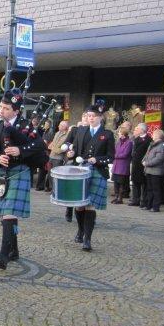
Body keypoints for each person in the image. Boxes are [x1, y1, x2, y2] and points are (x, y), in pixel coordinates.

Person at [0, 89, 46, 269]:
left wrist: (21, 150)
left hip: (19, 172)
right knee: (7, 214)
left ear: (16, 111)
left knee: (9, 211)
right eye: (1, 107)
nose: (1, 111)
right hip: (2, 172)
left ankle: (3, 254)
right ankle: (14, 249)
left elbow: (40, 145)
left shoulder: (26, 126)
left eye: (6, 108)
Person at [64, 104, 115, 251]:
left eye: (93, 116)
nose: (90, 118)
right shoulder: (80, 131)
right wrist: (70, 154)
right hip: (79, 170)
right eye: (89, 116)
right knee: (80, 204)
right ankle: (80, 230)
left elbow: (111, 157)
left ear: (100, 118)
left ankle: (87, 238)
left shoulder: (107, 134)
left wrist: (97, 160)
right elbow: (73, 149)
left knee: (90, 205)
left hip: (97, 171)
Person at [142, 129, 164, 212]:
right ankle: (148, 205)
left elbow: (159, 159)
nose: (152, 136)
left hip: (156, 171)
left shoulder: (162, 146)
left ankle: (155, 206)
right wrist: (143, 160)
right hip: (149, 170)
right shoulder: (152, 144)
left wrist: (147, 163)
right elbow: (147, 154)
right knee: (149, 189)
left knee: (156, 189)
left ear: (158, 136)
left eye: (153, 134)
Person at [129, 124, 151, 208]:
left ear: (142, 130)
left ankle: (144, 201)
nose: (135, 130)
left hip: (143, 164)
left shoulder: (148, 139)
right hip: (135, 164)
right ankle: (135, 200)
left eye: (137, 129)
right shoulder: (136, 139)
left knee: (144, 183)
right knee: (135, 182)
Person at [45, 120, 69, 195]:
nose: (59, 126)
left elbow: (62, 149)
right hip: (51, 156)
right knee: (50, 174)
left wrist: (52, 148)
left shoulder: (67, 135)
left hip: (58, 158)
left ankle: (57, 191)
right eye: (59, 125)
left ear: (65, 127)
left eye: (61, 125)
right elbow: (53, 143)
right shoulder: (57, 133)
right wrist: (50, 145)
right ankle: (53, 190)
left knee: (56, 175)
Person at [111, 124, 132, 204]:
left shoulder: (129, 142)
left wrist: (115, 155)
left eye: (119, 132)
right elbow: (115, 150)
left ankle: (120, 198)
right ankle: (116, 197)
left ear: (123, 134)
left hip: (123, 166)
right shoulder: (119, 141)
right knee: (115, 182)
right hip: (116, 165)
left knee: (121, 183)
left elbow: (125, 154)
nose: (118, 134)